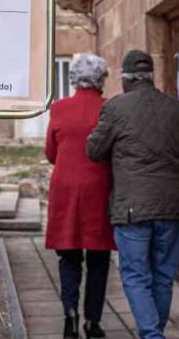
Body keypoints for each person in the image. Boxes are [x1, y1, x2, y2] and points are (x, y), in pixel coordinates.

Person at [86, 50, 179, 339]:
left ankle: (151, 335)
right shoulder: (178, 108)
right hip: (171, 207)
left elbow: (95, 151)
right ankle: (154, 332)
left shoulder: (115, 109)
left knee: (136, 276)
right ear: (151, 77)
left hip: (132, 208)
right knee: (163, 277)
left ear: (125, 79)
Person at [45, 53, 116, 339]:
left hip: (65, 189)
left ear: (74, 78)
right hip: (99, 188)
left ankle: (70, 316)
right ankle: (93, 322)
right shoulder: (109, 108)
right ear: (101, 79)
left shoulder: (59, 108)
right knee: (99, 257)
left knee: (69, 256)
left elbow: (51, 153)